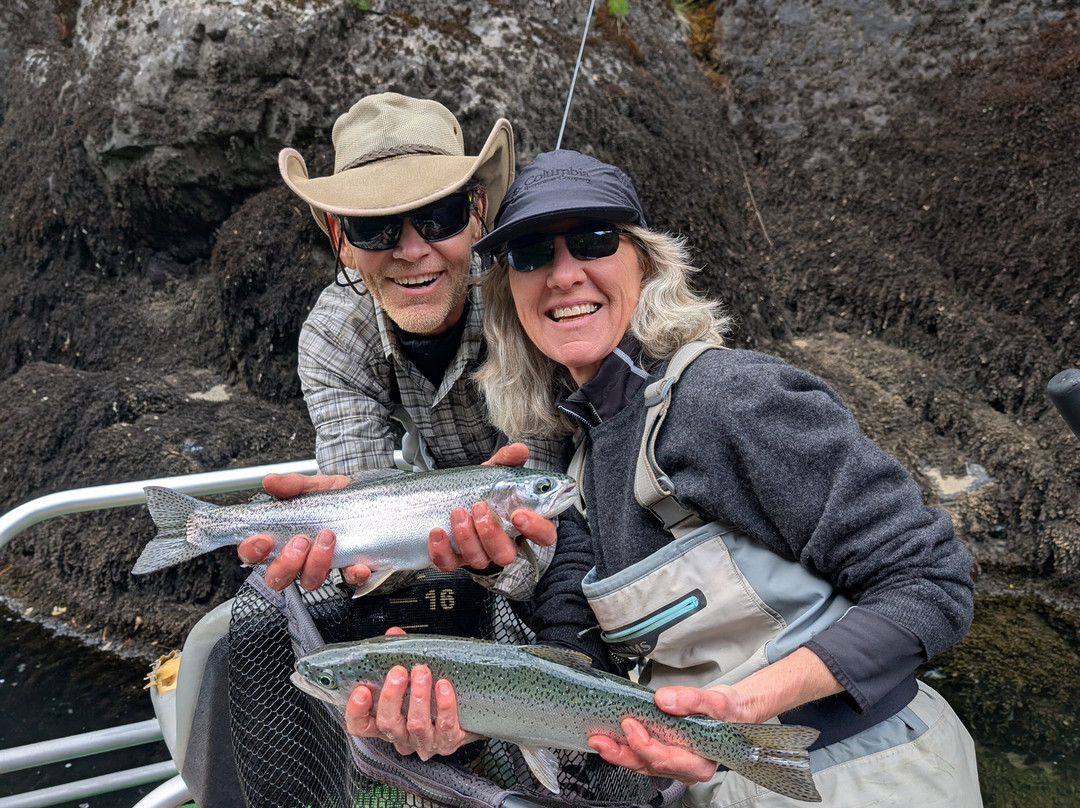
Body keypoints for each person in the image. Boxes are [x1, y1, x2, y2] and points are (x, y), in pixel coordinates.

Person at [419, 148, 981, 807]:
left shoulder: (729, 397)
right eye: (533, 253)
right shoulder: (580, 457)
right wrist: (462, 700)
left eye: (595, 240)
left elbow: (933, 586)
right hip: (713, 780)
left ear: (648, 263)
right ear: (510, 294)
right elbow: (575, 647)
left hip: (865, 772)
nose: (564, 274)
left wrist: (740, 707)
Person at [201, 96, 592, 808]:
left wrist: (511, 563)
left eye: (437, 218)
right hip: (429, 528)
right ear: (339, 236)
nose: (411, 249)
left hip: (566, 541)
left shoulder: (529, 298)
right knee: (271, 603)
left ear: (478, 211)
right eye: (376, 226)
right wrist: (375, 593)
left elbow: (546, 502)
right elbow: (364, 493)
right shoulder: (333, 334)